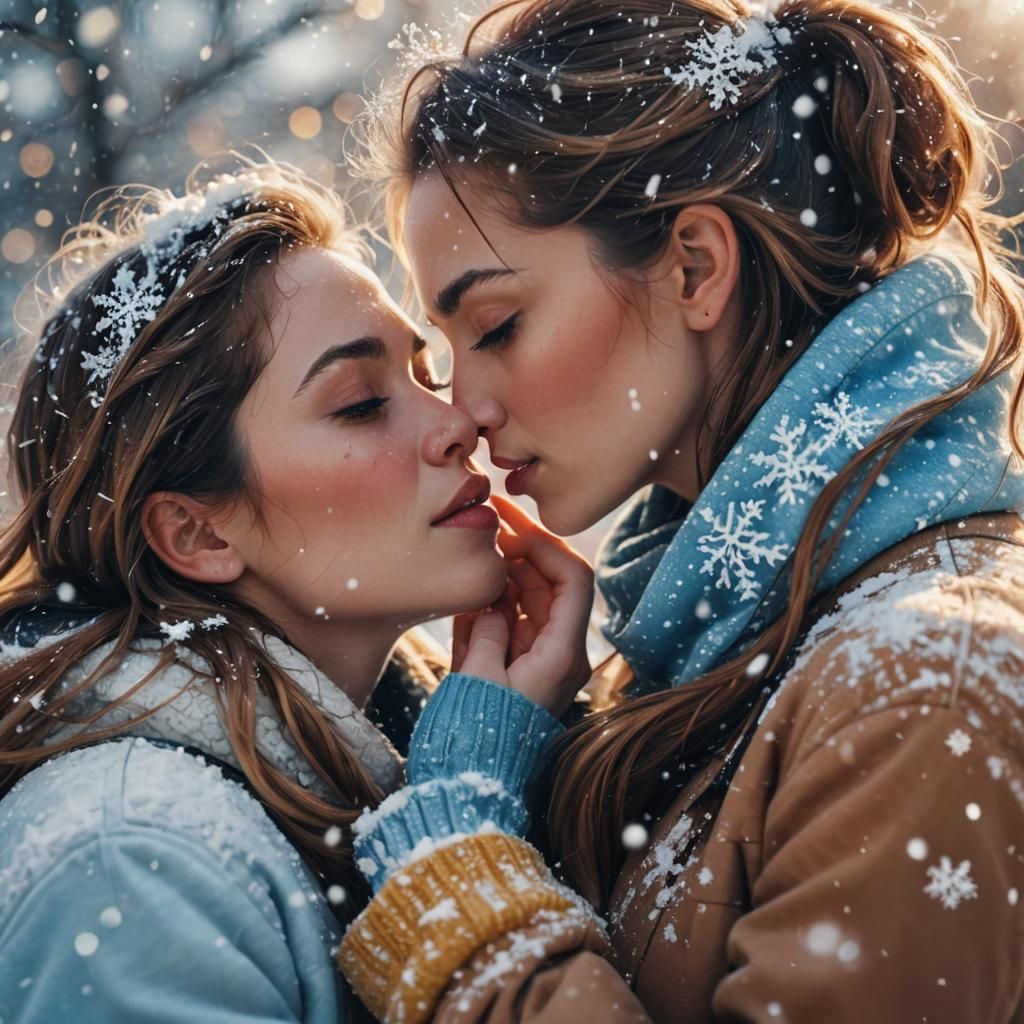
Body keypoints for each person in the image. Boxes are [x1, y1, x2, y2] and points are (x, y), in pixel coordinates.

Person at [335, 0, 1024, 1020]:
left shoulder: (923, 692)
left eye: (496, 324)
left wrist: (461, 883)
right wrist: (528, 754)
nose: (466, 412)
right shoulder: (723, 639)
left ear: (695, 266)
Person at [0, 156, 587, 1023]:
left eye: (422, 375)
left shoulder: (404, 755)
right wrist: (465, 837)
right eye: (360, 403)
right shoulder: (132, 858)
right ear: (197, 532)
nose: (458, 421)